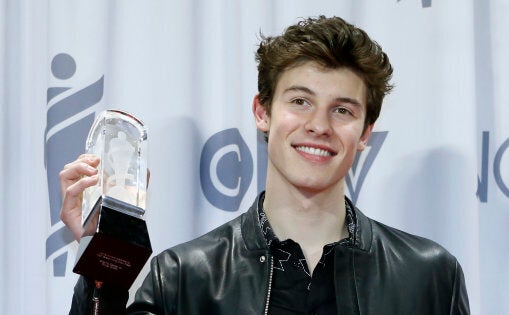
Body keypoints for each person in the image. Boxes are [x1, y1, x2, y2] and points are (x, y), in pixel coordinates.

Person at [61, 16, 470, 314]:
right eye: (300, 101)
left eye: (342, 110)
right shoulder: (185, 276)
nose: (318, 126)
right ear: (262, 112)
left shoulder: (430, 276)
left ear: (365, 133)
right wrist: (103, 257)